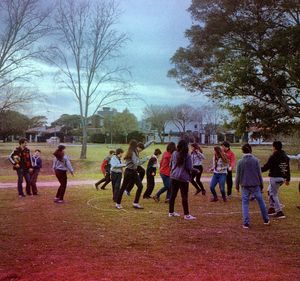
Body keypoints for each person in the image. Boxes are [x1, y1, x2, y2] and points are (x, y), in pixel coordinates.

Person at [235, 143, 269, 229]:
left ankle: (246, 223)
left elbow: (238, 175)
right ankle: (266, 219)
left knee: (245, 203)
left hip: (245, 184)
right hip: (255, 184)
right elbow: (259, 174)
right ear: (251, 150)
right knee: (261, 202)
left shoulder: (240, 162)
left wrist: (236, 186)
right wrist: (261, 184)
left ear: (242, 151)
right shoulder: (256, 160)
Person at [261, 141, 290, 219]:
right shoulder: (285, 157)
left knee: (274, 194)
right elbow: (287, 168)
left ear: (274, 147)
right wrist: (288, 179)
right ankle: (272, 208)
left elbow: (266, 167)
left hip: (275, 178)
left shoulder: (273, 156)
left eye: (272, 146)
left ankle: (279, 212)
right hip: (282, 178)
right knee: (269, 191)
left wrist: (258, 169)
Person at [168, 139, 196, 220]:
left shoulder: (174, 153)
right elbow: (189, 167)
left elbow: (170, 164)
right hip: (183, 178)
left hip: (173, 176)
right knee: (184, 196)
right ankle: (187, 215)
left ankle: (171, 212)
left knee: (173, 195)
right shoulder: (187, 156)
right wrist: (196, 170)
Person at [115, 140, 146, 209]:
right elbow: (136, 163)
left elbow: (135, 162)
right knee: (138, 186)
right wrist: (145, 159)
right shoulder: (133, 153)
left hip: (130, 171)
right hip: (131, 172)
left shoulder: (131, 152)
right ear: (135, 146)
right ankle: (118, 203)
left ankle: (134, 203)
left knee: (138, 186)